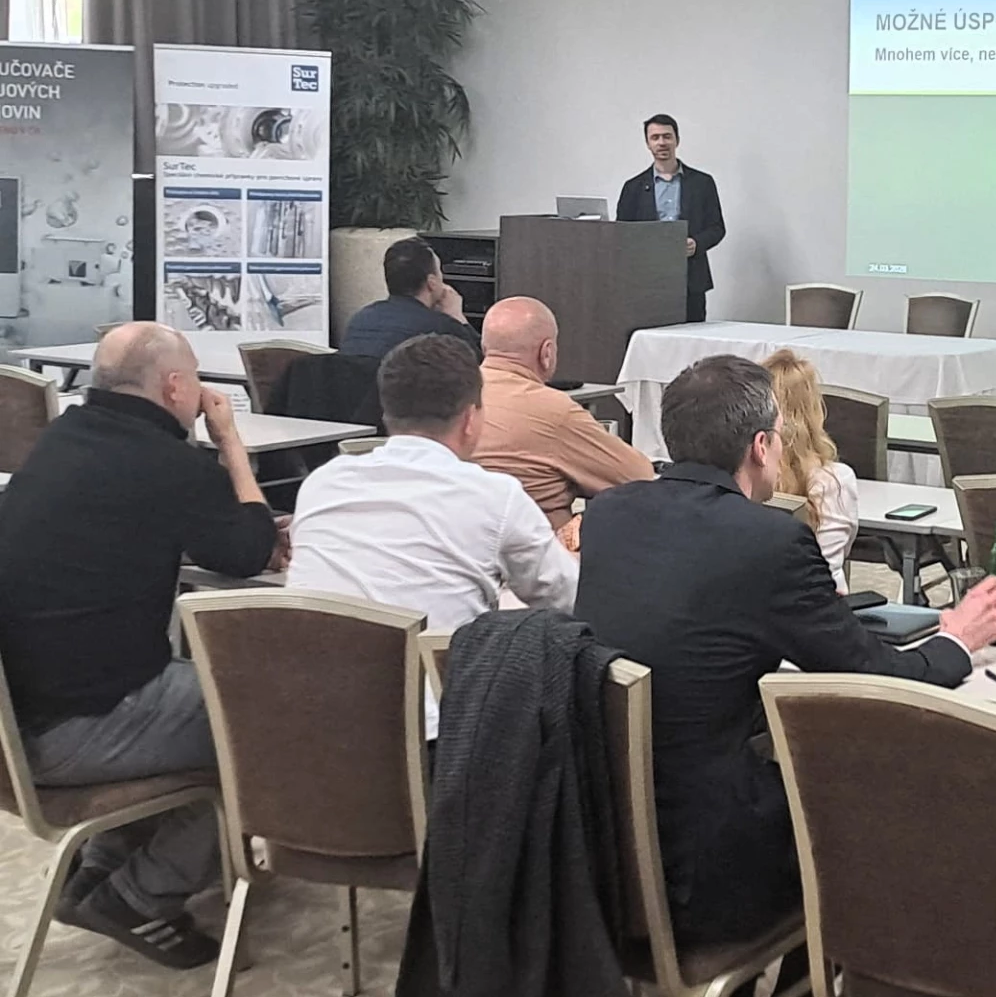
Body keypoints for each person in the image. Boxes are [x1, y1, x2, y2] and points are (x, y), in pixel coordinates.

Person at [574, 354, 996, 952]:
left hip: (599, 852)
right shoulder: (769, 540)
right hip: (707, 870)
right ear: (761, 446)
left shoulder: (609, 513)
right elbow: (874, 676)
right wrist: (957, 639)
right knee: (884, 800)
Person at [0, 323, 279, 969]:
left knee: (193, 688)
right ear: (176, 387)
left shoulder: (60, 439)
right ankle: (140, 894)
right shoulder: (168, 464)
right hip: (80, 727)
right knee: (269, 722)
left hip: (20, 718)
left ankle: (101, 867)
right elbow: (248, 551)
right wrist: (229, 442)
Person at [288, 334, 579, 737]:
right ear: (471, 419)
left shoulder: (322, 484)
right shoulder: (495, 495)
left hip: (305, 727)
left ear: (387, 412)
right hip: (435, 737)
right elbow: (568, 600)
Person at [472, 296, 655, 549]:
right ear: (546, 352)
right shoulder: (553, 410)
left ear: (485, 348)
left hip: (460, 549)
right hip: (535, 556)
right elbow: (639, 477)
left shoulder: (451, 396)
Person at [762, 348, 859, 592]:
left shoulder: (743, 475)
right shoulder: (836, 479)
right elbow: (837, 554)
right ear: (814, 408)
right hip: (822, 600)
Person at [615, 113, 725, 324]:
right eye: (655, 137)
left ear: (677, 140)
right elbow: (622, 234)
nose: (662, 142)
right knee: (652, 337)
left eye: (667, 136)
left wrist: (696, 243)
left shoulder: (702, 183)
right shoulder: (633, 188)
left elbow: (717, 228)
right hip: (647, 280)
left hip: (691, 277)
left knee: (693, 336)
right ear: (647, 143)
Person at [339, 236, 481, 360]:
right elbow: (482, 366)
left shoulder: (360, 319)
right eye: (439, 271)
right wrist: (458, 317)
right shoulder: (441, 328)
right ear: (432, 283)